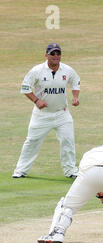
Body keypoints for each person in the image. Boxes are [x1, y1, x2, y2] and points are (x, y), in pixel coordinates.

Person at [13, 43, 81, 179]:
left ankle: (71, 171)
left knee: (68, 141)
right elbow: (25, 87)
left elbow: (75, 82)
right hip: (42, 115)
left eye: (58, 53)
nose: (56, 56)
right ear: (46, 55)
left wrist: (75, 97)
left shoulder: (67, 70)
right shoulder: (37, 70)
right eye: (53, 54)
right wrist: (36, 100)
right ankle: (20, 171)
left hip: (62, 113)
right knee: (32, 141)